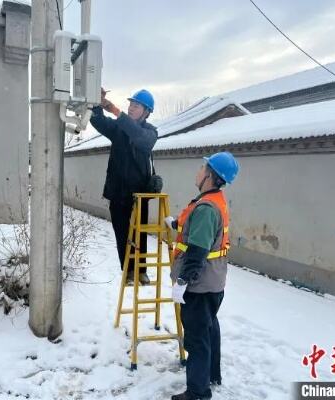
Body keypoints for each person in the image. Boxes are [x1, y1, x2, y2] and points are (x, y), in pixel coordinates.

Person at [168, 152, 239, 400]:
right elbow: (201, 232)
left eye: (202, 167)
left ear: (210, 176)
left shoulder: (206, 208)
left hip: (200, 284)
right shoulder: (214, 200)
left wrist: (183, 282)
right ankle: (211, 375)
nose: (198, 171)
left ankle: (198, 392)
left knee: (197, 338)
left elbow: (197, 251)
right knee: (209, 328)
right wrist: (178, 224)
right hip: (214, 280)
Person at [90, 88, 158, 285]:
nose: (131, 108)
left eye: (136, 105)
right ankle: (128, 272)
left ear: (146, 111)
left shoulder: (150, 132)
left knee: (140, 233)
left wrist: (115, 110)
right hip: (118, 192)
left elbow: (138, 137)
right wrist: (97, 103)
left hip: (139, 194)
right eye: (130, 104)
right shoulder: (119, 129)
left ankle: (141, 270)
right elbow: (99, 122)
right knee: (122, 233)